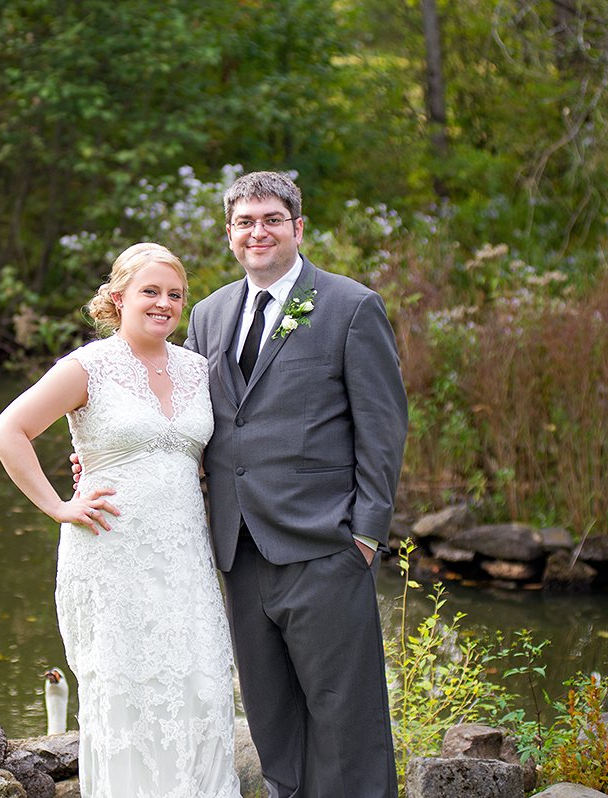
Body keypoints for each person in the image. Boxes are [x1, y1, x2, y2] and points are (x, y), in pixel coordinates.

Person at [0, 242, 242, 798]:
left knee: (200, 688)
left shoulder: (199, 370)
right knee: (128, 695)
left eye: (174, 294)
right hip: (112, 552)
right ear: (117, 297)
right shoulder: (88, 367)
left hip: (184, 557)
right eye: (150, 291)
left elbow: (208, 456)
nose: (163, 303)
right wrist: (58, 505)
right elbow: (7, 431)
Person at [185, 171, 408, 798]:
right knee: (272, 720)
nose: (259, 232)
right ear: (230, 234)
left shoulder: (350, 306)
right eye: (245, 222)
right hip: (237, 550)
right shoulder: (207, 315)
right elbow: (184, 419)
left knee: (346, 719)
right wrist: (105, 462)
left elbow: (383, 429)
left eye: (271, 219)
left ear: (297, 228)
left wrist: (364, 535)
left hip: (322, 545)